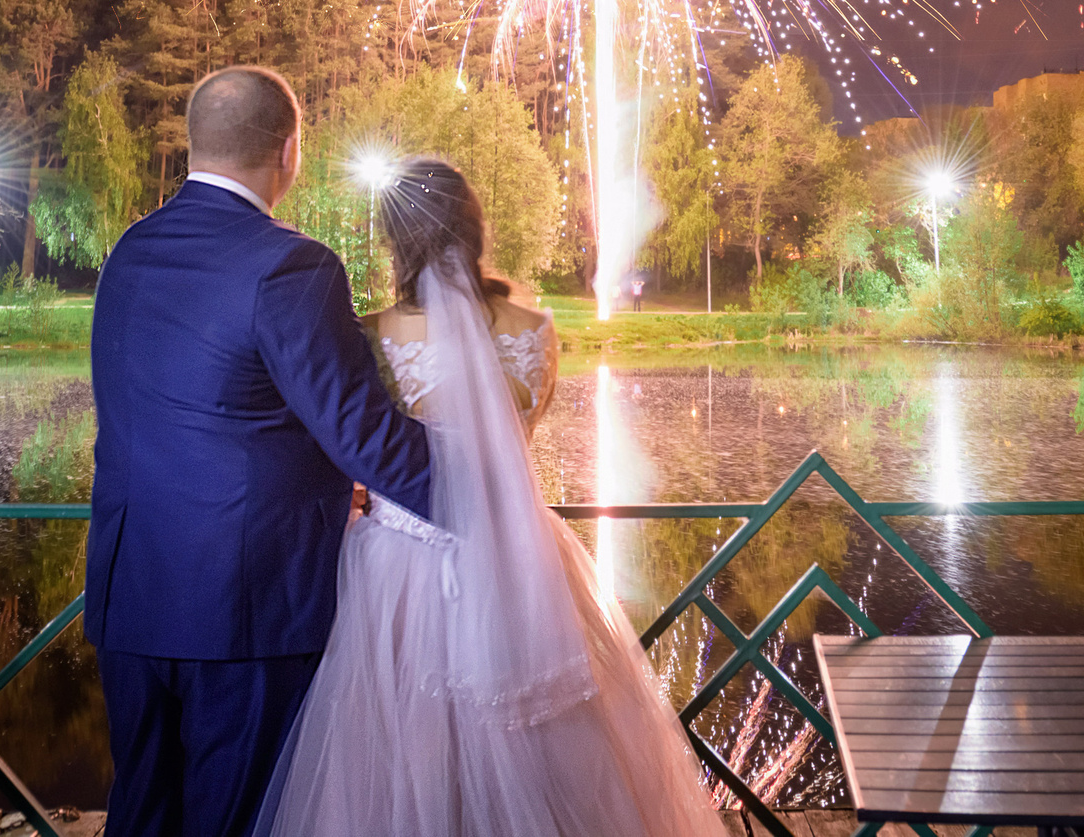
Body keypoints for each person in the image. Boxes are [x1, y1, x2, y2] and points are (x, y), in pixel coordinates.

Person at [255, 157, 727, 837]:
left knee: (400, 743)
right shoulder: (534, 328)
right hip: (517, 552)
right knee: (546, 746)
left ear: (395, 240)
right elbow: (521, 433)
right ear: (474, 228)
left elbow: (358, 443)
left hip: (400, 561)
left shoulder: (373, 334)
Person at [86, 66, 435, 837]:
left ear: (195, 143)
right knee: (239, 820)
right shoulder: (292, 266)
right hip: (246, 610)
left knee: (141, 814)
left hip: (131, 593)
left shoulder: (129, 252)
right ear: (289, 150)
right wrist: (482, 493)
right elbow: (361, 432)